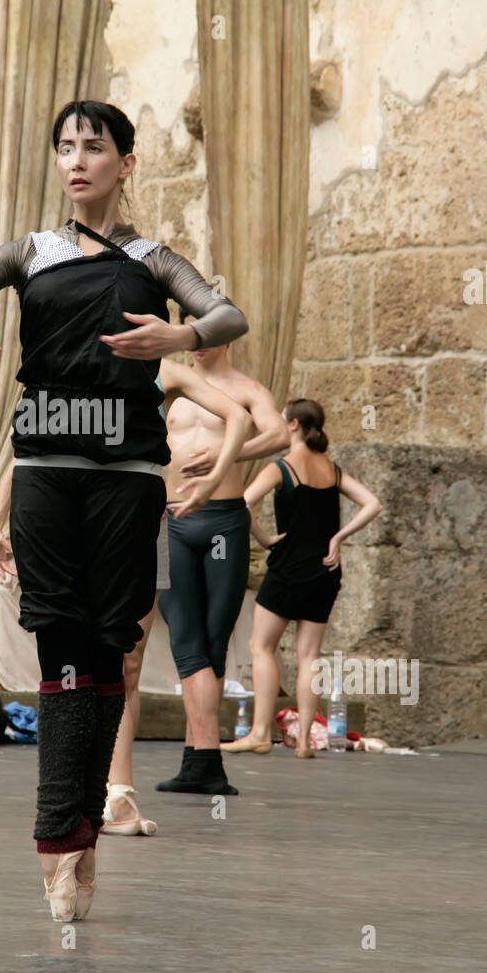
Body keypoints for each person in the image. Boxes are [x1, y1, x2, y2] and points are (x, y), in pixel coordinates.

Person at [0, 99, 248, 921]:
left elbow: (228, 315)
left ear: (125, 164)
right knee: (61, 640)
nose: (77, 160)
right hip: (48, 472)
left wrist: (179, 340)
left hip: (129, 477)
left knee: (111, 646)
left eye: (93, 147)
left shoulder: (152, 257)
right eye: (65, 147)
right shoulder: (30, 251)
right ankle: (59, 843)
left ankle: (87, 828)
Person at [0, 365, 254, 837]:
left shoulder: (163, 370)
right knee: (72, 650)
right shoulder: (68, 360)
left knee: (125, 657)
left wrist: (216, 478)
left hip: (136, 517)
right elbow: (31, 447)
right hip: (71, 514)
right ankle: (80, 794)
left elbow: (238, 416)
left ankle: (118, 794)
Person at [153, 313, 291, 794]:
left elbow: (280, 436)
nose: (196, 343)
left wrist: (227, 454)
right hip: (170, 521)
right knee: (184, 638)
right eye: (189, 332)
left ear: (226, 337)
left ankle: (200, 760)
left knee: (213, 640)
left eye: (205, 334)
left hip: (222, 522)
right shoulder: (171, 382)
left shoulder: (245, 389)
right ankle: (202, 761)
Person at [240, 399, 382, 756]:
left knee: (262, 646)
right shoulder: (332, 470)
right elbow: (372, 503)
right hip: (325, 570)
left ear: (292, 426)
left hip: (288, 568)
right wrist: (338, 537)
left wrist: (264, 539)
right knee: (310, 657)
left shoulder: (282, 467)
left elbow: (242, 504)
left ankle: (259, 732)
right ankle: (303, 739)